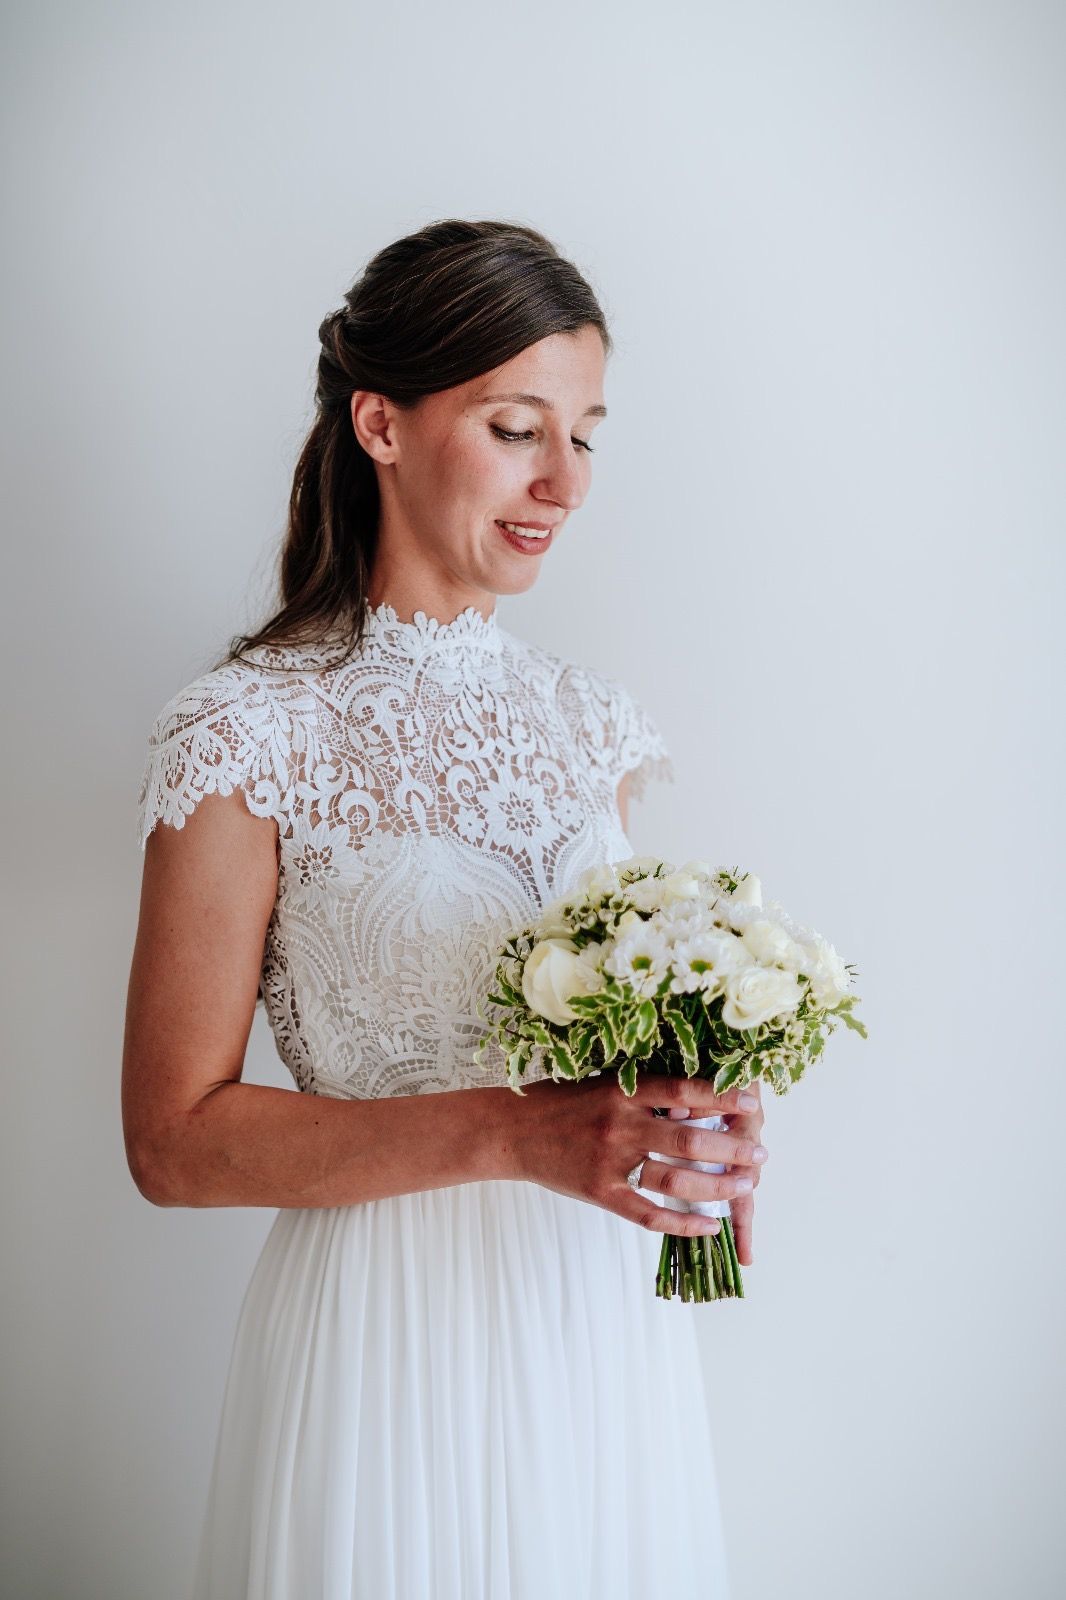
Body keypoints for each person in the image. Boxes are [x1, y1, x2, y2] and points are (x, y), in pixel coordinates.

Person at [122, 217, 768, 1599]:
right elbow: (173, 1142)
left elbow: (597, 1057)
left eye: (585, 434)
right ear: (382, 423)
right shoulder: (246, 732)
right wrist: (515, 1136)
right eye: (517, 426)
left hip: (595, 1331)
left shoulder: (595, 730)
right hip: (383, 1339)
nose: (562, 481)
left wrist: (691, 1107)